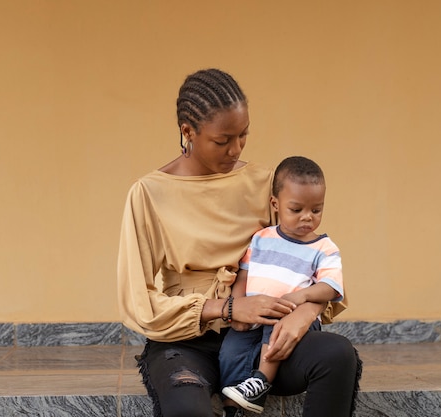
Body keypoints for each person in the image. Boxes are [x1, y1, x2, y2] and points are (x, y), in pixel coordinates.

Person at [117, 68, 361, 417]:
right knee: (188, 411)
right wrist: (229, 308)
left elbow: (314, 264)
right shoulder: (149, 194)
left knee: (337, 355)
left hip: (264, 339)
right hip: (187, 344)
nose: (236, 149)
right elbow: (137, 302)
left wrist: (303, 315)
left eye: (243, 135)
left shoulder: (264, 183)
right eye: (222, 140)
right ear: (188, 132)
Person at [220, 156, 344, 415]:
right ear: (275, 204)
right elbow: (243, 275)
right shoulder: (260, 238)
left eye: (316, 210)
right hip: (255, 314)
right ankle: (235, 403)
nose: (307, 218)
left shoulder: (323, 247)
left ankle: (261, 381)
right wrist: (237, 305)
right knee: (230, 350)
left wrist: (299, 297)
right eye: (296, 210)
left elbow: (330, 287)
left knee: (274, 331)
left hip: (290, 316)